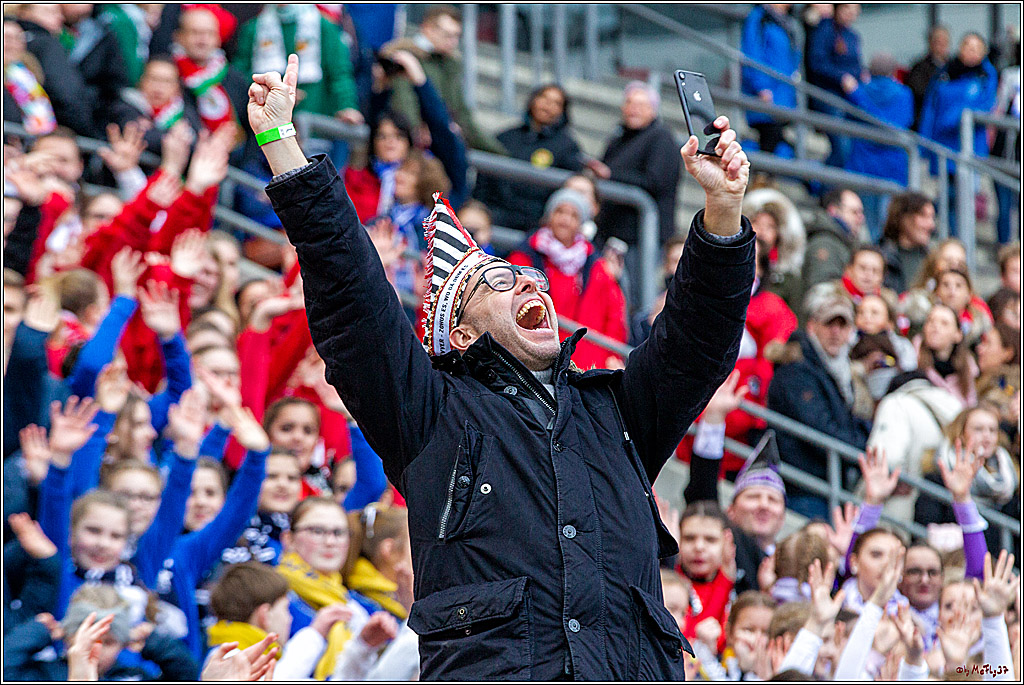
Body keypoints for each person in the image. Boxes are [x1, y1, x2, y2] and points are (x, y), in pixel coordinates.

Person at [248, 54, 756, 679]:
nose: (528, 284)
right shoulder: (428, 414)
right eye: (499, 282)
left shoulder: (615, 412)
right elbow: (353, 298)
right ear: (457, 332)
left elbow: (698, 343)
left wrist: (724, 211)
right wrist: (282, 145)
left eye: (528, 276)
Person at [767, 284, 871, 520]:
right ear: (812, 326)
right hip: (803, 488)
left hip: (827, 485)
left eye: (842, 325)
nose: (835, 332)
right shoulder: (796, 370)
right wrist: (863, 450)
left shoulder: (839, 372)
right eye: (829, 324)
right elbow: (819, 428)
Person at [508, 188, 628, 371]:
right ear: (549, 216)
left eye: (573, 215)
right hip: (533, 359)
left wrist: (612, 355)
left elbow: (614, 317)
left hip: (585, 364)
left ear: (581, 223)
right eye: (560, 211)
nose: (565, 219)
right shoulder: (523, 258)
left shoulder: (597, 267)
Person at [593, 81, 682, 306]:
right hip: (611, 233)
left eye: (641, 105)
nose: (634, 109)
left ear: (653, 110)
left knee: (634, 300)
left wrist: (611, 174)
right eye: (630, 103)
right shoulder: (618, 138)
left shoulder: (661, 137)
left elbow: (655, 181)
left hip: (643, 238)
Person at [385, 5, 504, 155]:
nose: (453, 42)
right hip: (409, 145)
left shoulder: (450, 64)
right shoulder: (403, 56)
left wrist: (501, 153)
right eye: (447, 35)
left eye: (456, 36)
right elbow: (403, 102)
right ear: (427, 28)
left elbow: (462, 113)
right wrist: (417, 131)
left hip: (440, 142)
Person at [474, 84, 585, 231]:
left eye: (556, 103)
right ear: (533, 101)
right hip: (494, 215)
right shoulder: (507, 137)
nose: (548, 105)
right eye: (544, 98)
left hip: (536, 225)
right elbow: (484, 180)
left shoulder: (568, 148)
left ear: (563, 111)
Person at [919, 33, 999, 236]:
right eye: (967, 46)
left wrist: (952, 119)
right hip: (943, 145)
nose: (970, 52)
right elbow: (931, 107)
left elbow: (983, 106)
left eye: (976, 48)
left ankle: (960, 240)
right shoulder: (945, 72)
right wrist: (924, 142)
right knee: (947, 197)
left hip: (967, 148)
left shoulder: (985, 76)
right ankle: (949, 238)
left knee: (961, 199)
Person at [233, 5, 362, 126]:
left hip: (314, 120)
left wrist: (347, 105)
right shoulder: (253, 28)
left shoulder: (323, 26)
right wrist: (271, 91)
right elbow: (239, 75)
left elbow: (339, 72)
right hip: (266, 123)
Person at [841, 53, 914, 240]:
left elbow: (848, 121)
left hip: (863, 163)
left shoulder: (859, 92)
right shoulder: (904, 94)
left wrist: (856, 95)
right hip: (894, 167)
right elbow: (902, 124)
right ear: (893, 71)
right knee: (888, 223)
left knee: (868, 223)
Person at [172, 6, 252, 163]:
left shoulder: (233, 77)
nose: (203, 40)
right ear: (179, 36)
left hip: (234, 165)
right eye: (195, 32)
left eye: (209, 34)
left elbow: (249, 128)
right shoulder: (167, 73)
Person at [59, 4, 130, 138]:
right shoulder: (46, 31)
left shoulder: (102, 33)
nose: (85, 7)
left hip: (87, 120)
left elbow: (115, 84)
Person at [806, 3, 862, 169]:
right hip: (829, 97)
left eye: (855, 11)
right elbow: (816, 62)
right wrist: (841, 77)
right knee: (842, 147)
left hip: (850, 99)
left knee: (851, 149)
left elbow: (856, 65)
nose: (851, 15)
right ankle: (825, 188)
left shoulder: (852, 36)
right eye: (847, 10)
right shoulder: (825, 30)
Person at [740, 4, 800, 155]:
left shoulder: (789, 23)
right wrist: (761, 87)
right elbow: (752, 54)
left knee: (776, 143)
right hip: (766, 95)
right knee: (770, 140)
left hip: (783, 97)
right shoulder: (759, 18)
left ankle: (763, 176)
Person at [744, 186, 806, 314]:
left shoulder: (789, 281)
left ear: (778, 237)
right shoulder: (732, 265)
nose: (761, 231)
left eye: (769, 227)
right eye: (757, 223)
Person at [914, 302, 979, 408]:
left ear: (958, 335)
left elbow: (970, 405)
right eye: (930, 321)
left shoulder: (968, 369)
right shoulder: (911, 358)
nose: (935, 327)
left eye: (944, 323)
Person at [802, 188, 867, 291]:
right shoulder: (823, 243)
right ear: (833, 211)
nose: (861, 218)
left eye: (861, 213)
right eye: (854, 212)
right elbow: (822, 290)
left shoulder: (844, 242)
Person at [879, 192, 937, 293]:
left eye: (932, 217)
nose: (931, 225)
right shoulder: (881, 257)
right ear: (903, 217)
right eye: (923, 216)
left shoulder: (932, 259)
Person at [907, 26, 951, 130]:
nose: (942, 46)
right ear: (931, 43)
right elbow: (918, 92)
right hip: (927, 120)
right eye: (938, 42)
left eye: (945, 42)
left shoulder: (954, 66)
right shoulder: (919, 67)